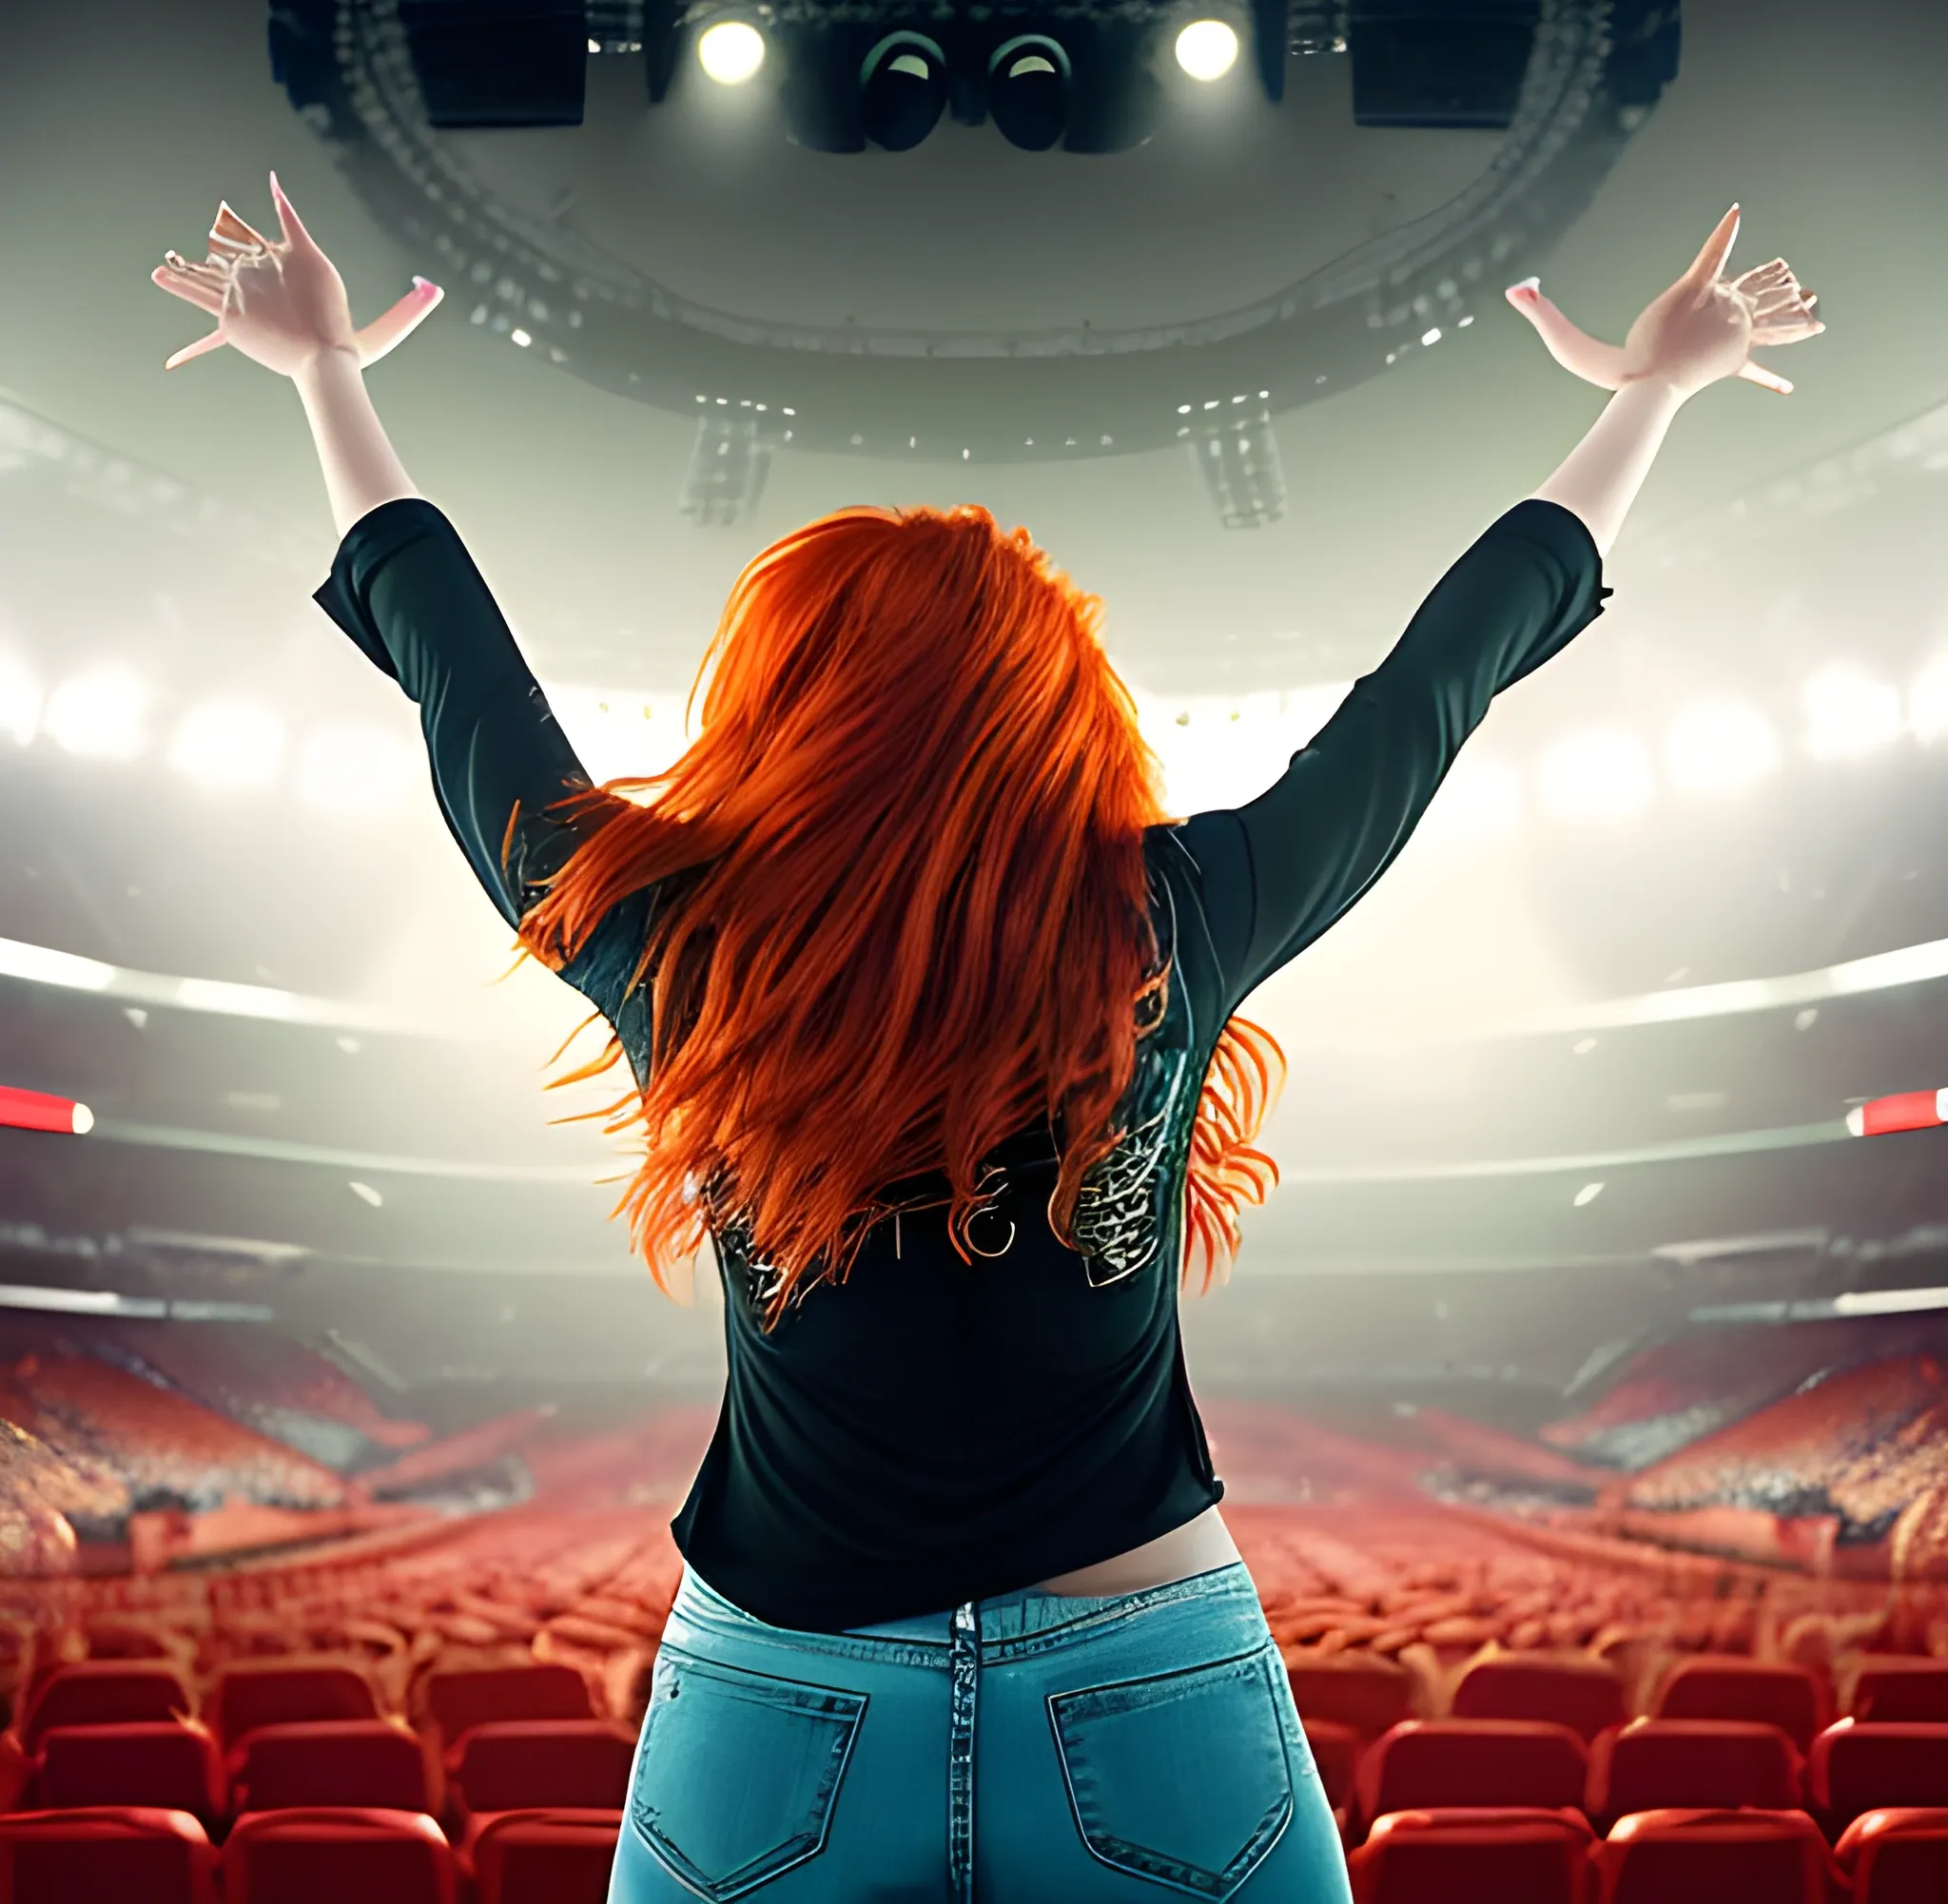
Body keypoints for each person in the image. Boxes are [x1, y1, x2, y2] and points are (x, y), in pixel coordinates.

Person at [153, 184, 1820, 1903]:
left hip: (775, 1702)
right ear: (1060, 709)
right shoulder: (1176, 910)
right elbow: (1439, 683)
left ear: (786, 708)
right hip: (1151, 1672)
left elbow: (461, 679)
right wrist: (1650, 399)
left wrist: (326, 376)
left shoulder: (675, 935)